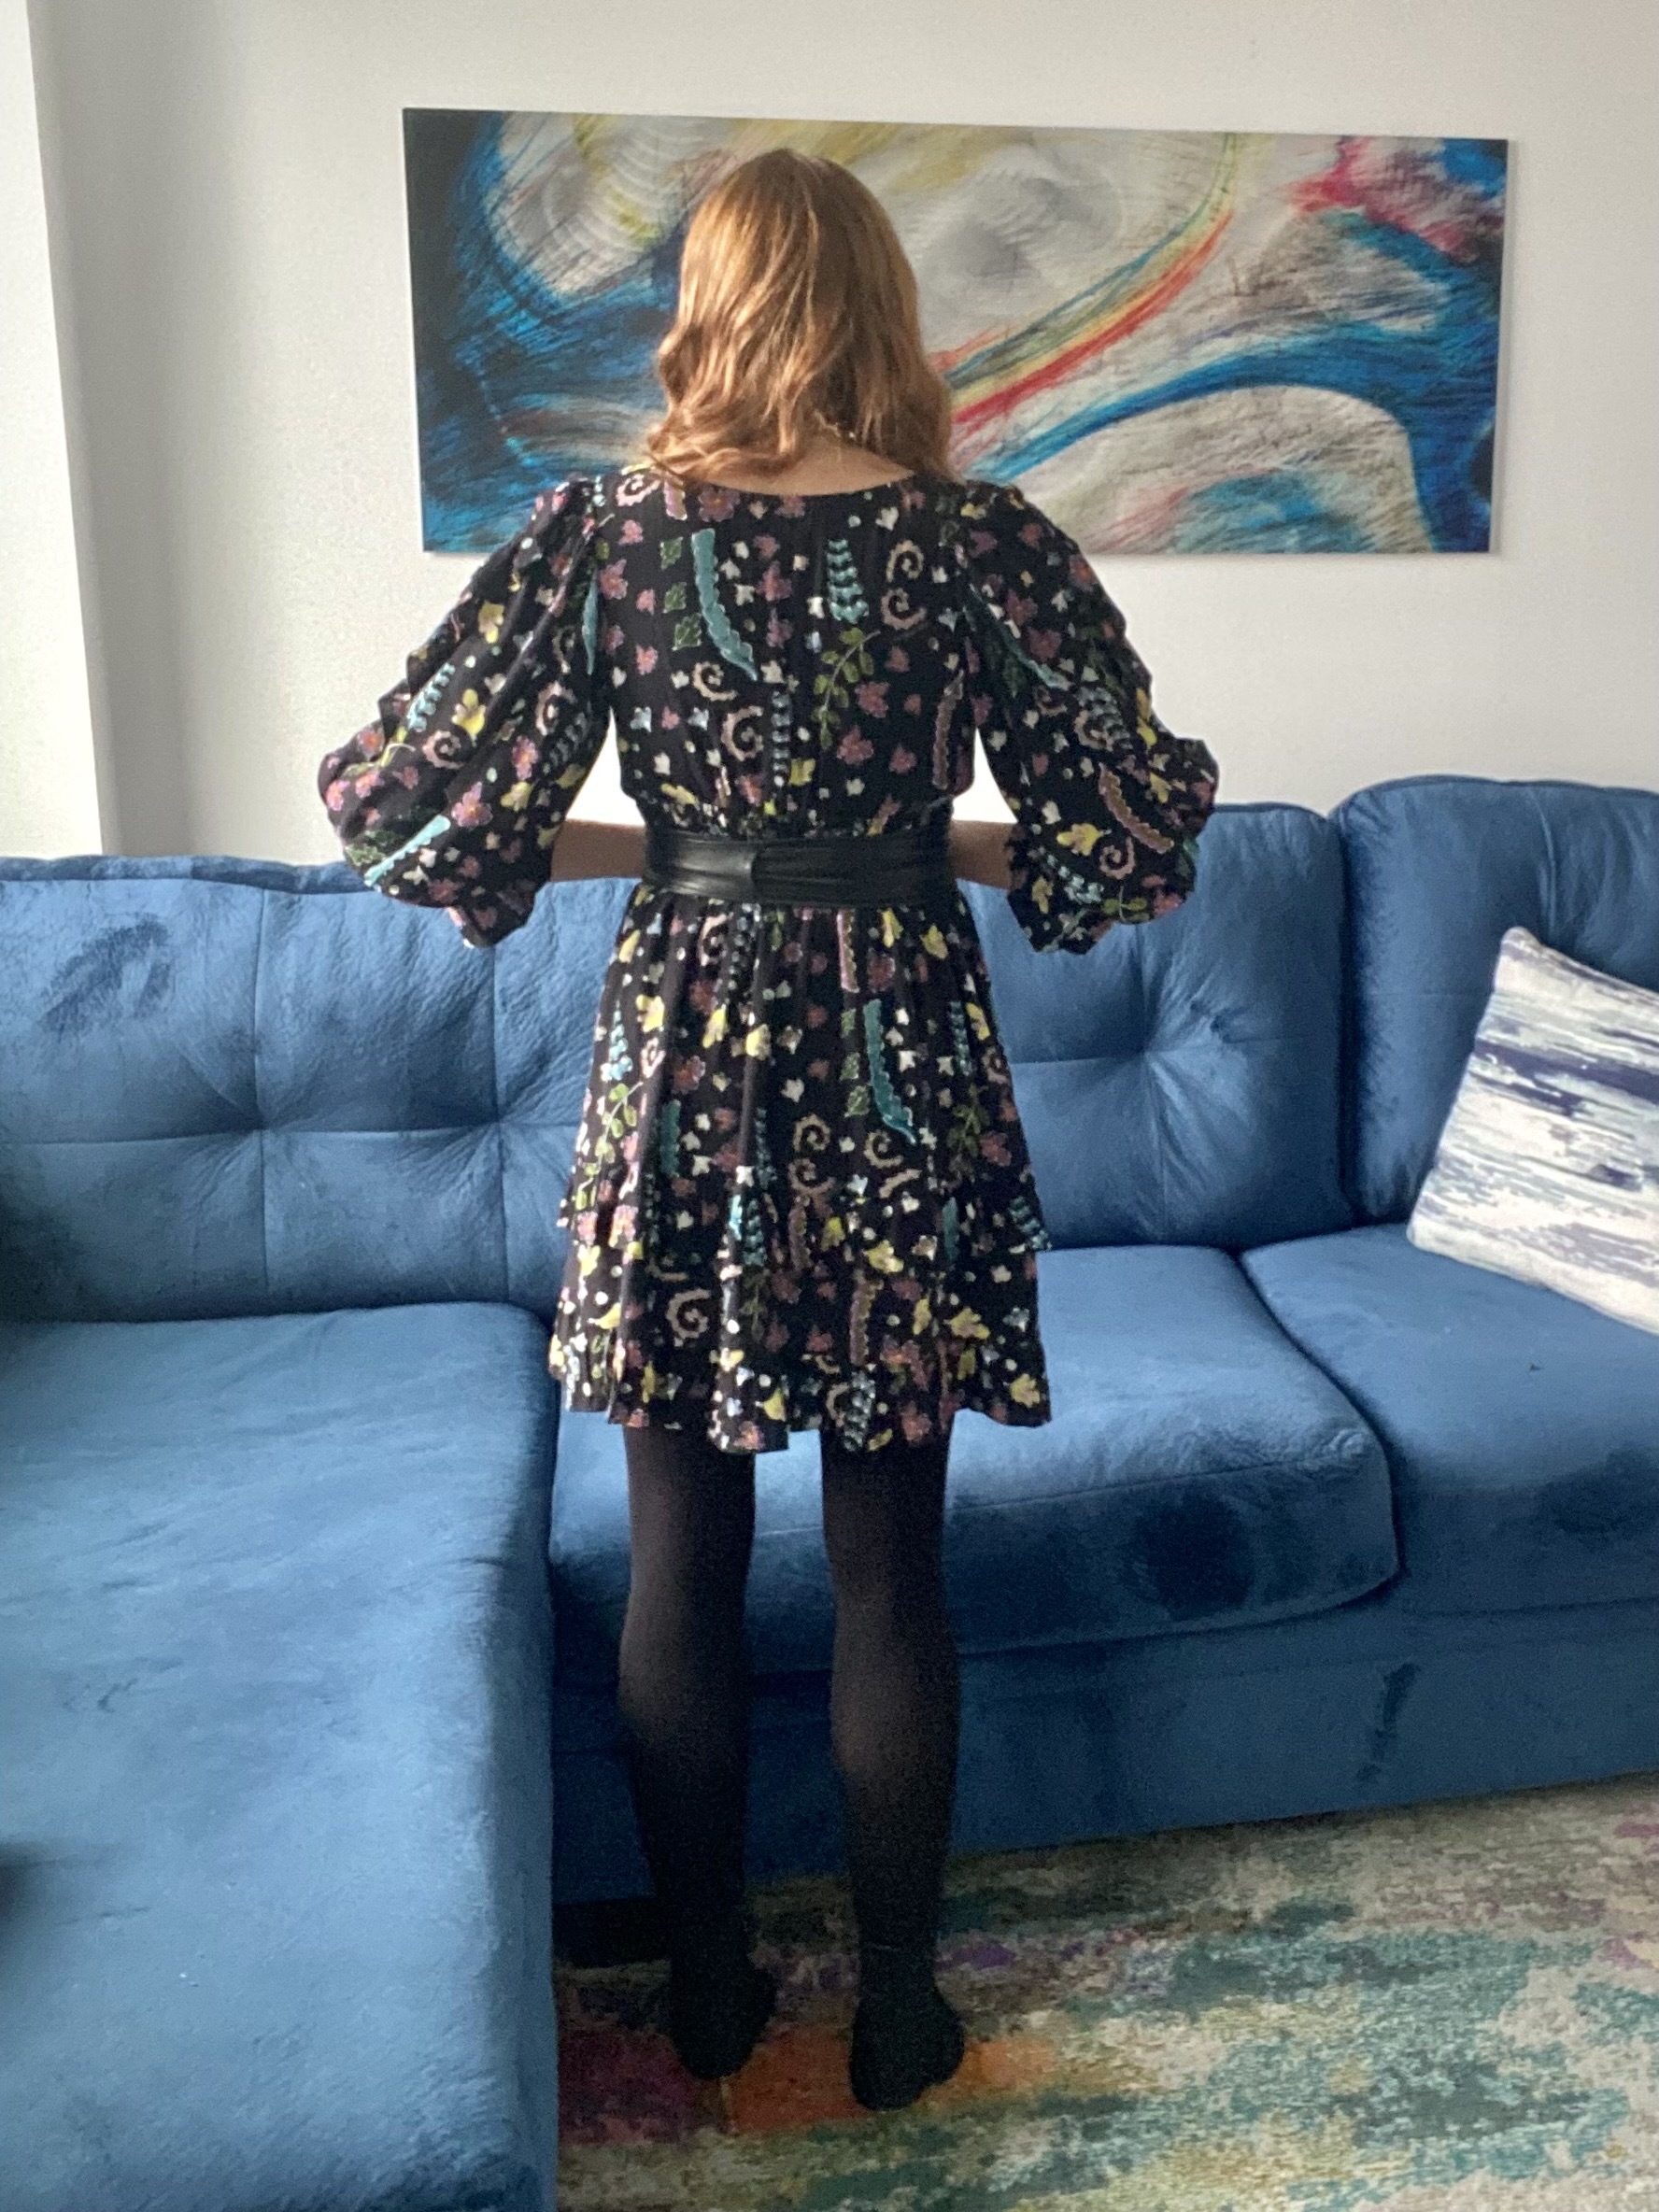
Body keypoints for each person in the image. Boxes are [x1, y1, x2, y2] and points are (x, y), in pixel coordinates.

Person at [319, 147, 1219, 2111]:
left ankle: (713, 1990)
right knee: (894, 1567)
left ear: (707, 307)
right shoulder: (976, 545)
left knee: (680, 1557)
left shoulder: (602, 538)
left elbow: (408, 807)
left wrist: (677, 848)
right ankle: (898, 2008)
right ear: (886, 304)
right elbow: (1136, 834)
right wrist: (923, 846)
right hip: (902, 1051)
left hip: (688, 1060)